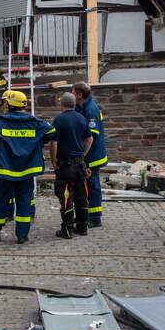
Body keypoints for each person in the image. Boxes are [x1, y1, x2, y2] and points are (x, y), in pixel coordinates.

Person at [0, 90, 54, 244]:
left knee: (1, 200)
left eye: (5, 102)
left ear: (9, 104)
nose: (3, 105)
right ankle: (22, 235)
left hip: (6, 170)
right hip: (27, 170)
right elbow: (52, 132)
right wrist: (37, 141)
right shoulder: (35, 122)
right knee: (24, 201)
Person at [49, 93, 92, 239]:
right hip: (79, 165)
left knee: (66, 197)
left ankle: (67, 230)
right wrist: (83, 155)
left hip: (65, 166)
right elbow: (89, 139)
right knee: (81, 197)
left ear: (62, 104)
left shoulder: (59, 120)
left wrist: (53, 160)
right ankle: (82, 227)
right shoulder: (82, 118)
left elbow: (54, 142)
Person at [72, 83, 108, 227]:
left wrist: (81, 155)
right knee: (85, 185)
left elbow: (91, 137)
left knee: (93, 185)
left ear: (80, 95)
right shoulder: (81, 107)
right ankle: (85, 214)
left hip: (92, 156)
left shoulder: (91, 110)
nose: (72, 95)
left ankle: (95, 218)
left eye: (73, 93)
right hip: (86, 155)